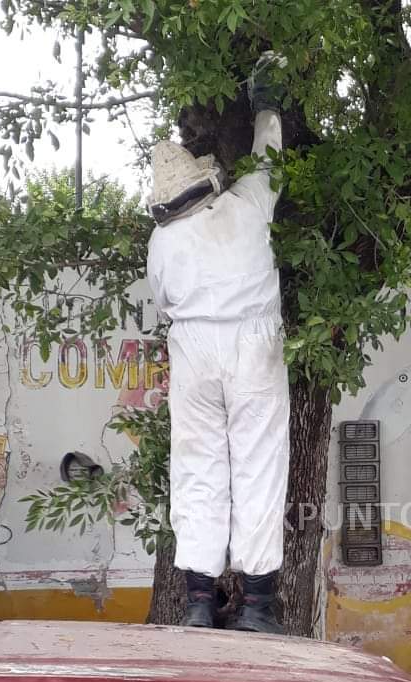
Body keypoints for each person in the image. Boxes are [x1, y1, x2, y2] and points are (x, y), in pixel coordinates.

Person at [146, 54, 289, 634]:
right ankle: (256, 606)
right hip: (253, 344)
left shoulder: (161, 242)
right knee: (258, 465)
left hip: (194, 350)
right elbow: (270, 158)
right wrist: (266, 107)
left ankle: (200, 601)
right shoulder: (248, 202)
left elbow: (161, 305)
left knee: (198, 470)